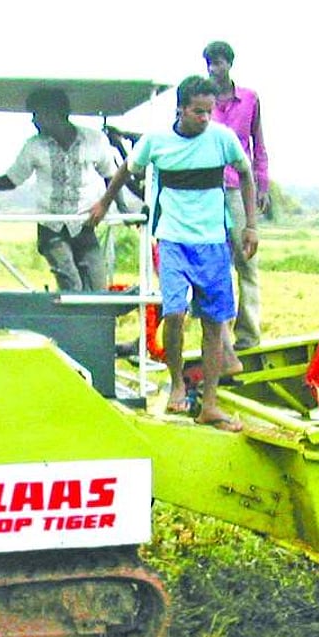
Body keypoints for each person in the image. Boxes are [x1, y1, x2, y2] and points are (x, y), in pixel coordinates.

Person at [88, 76, 258, 432]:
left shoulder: (222, 140)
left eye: (209, 112)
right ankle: (178, 382)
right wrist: (104, 203)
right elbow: (125, 171)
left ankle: (209, 403)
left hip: (212, 242)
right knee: (175, 312)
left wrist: (250, 225)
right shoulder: (157, 142)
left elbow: (245, 173)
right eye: (198, 111)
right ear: (181, 109)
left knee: (214, 323)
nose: (205, 118)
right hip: (173, 240)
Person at [0, 88, 118, 292]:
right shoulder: (34, 147)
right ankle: (70, 322)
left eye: (39, 115)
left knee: (98, 285)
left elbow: (113, 176)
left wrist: (108, 205)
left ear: (57, 114)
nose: (34, 122)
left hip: (84, 223)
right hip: (51, 226)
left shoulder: (94, 140)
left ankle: (97, 322)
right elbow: (11, 180)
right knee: (72, 284)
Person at [204, 40, 270, 353]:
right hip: (206, 188)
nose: (214, 69)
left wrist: (262, 186)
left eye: (218, 63)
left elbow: (258, 145)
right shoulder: (202, 102)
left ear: (229, 64)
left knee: (247, 260)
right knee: (215, 263)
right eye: (210, 64)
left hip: (238, 187)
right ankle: (222, 338)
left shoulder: (250, 100)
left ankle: (249, 333)